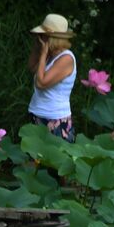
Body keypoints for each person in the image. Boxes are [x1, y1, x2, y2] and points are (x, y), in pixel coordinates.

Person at [26, 13, 77, 142]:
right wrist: (38, 48)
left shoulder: (66, 58)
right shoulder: (51, 56)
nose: (40, 38)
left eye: (43, 36)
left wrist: (43, 54)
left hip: (55, 119)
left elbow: (41, 83)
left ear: (51, 38)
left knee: (54, 160)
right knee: (35, 160)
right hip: (37, 114)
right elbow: (32, 67)